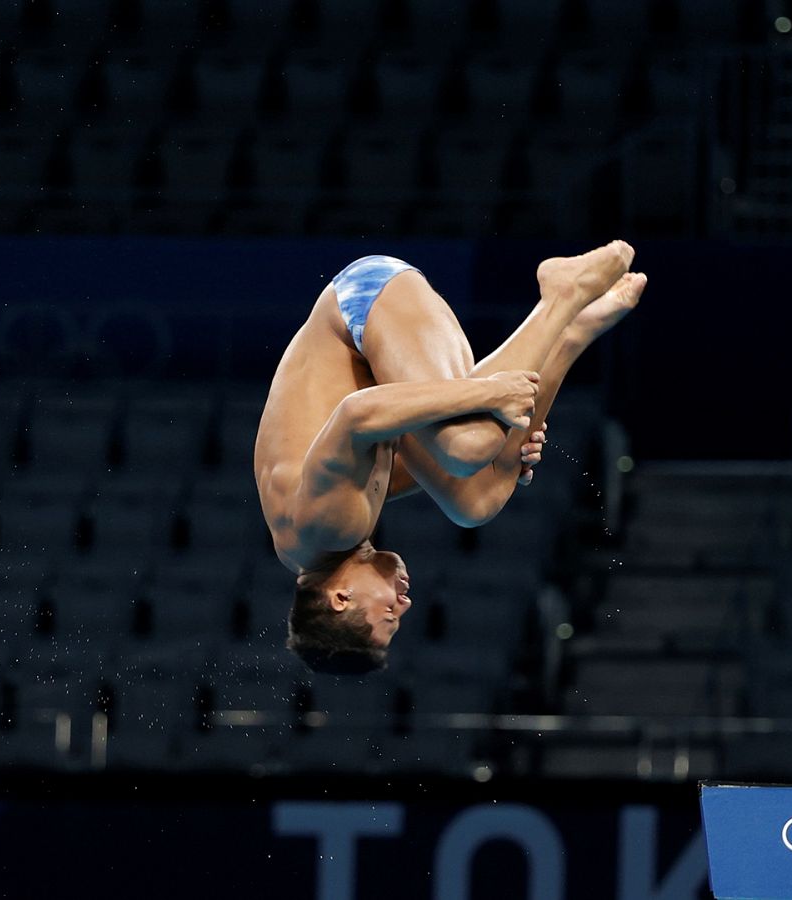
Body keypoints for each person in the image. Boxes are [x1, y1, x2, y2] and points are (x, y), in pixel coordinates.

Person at [254, 241, 647, 674]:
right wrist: (507, 452)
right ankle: (570, 335)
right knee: (473, 501)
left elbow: (356, 413)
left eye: (389, 615)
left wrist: (491, 396)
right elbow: (394, 456)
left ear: (340, 598)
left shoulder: (328, 529)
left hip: (365, 302)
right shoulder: (313, 545)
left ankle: (561, 295)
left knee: (467, 448)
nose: (404, 604)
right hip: (376, 354)